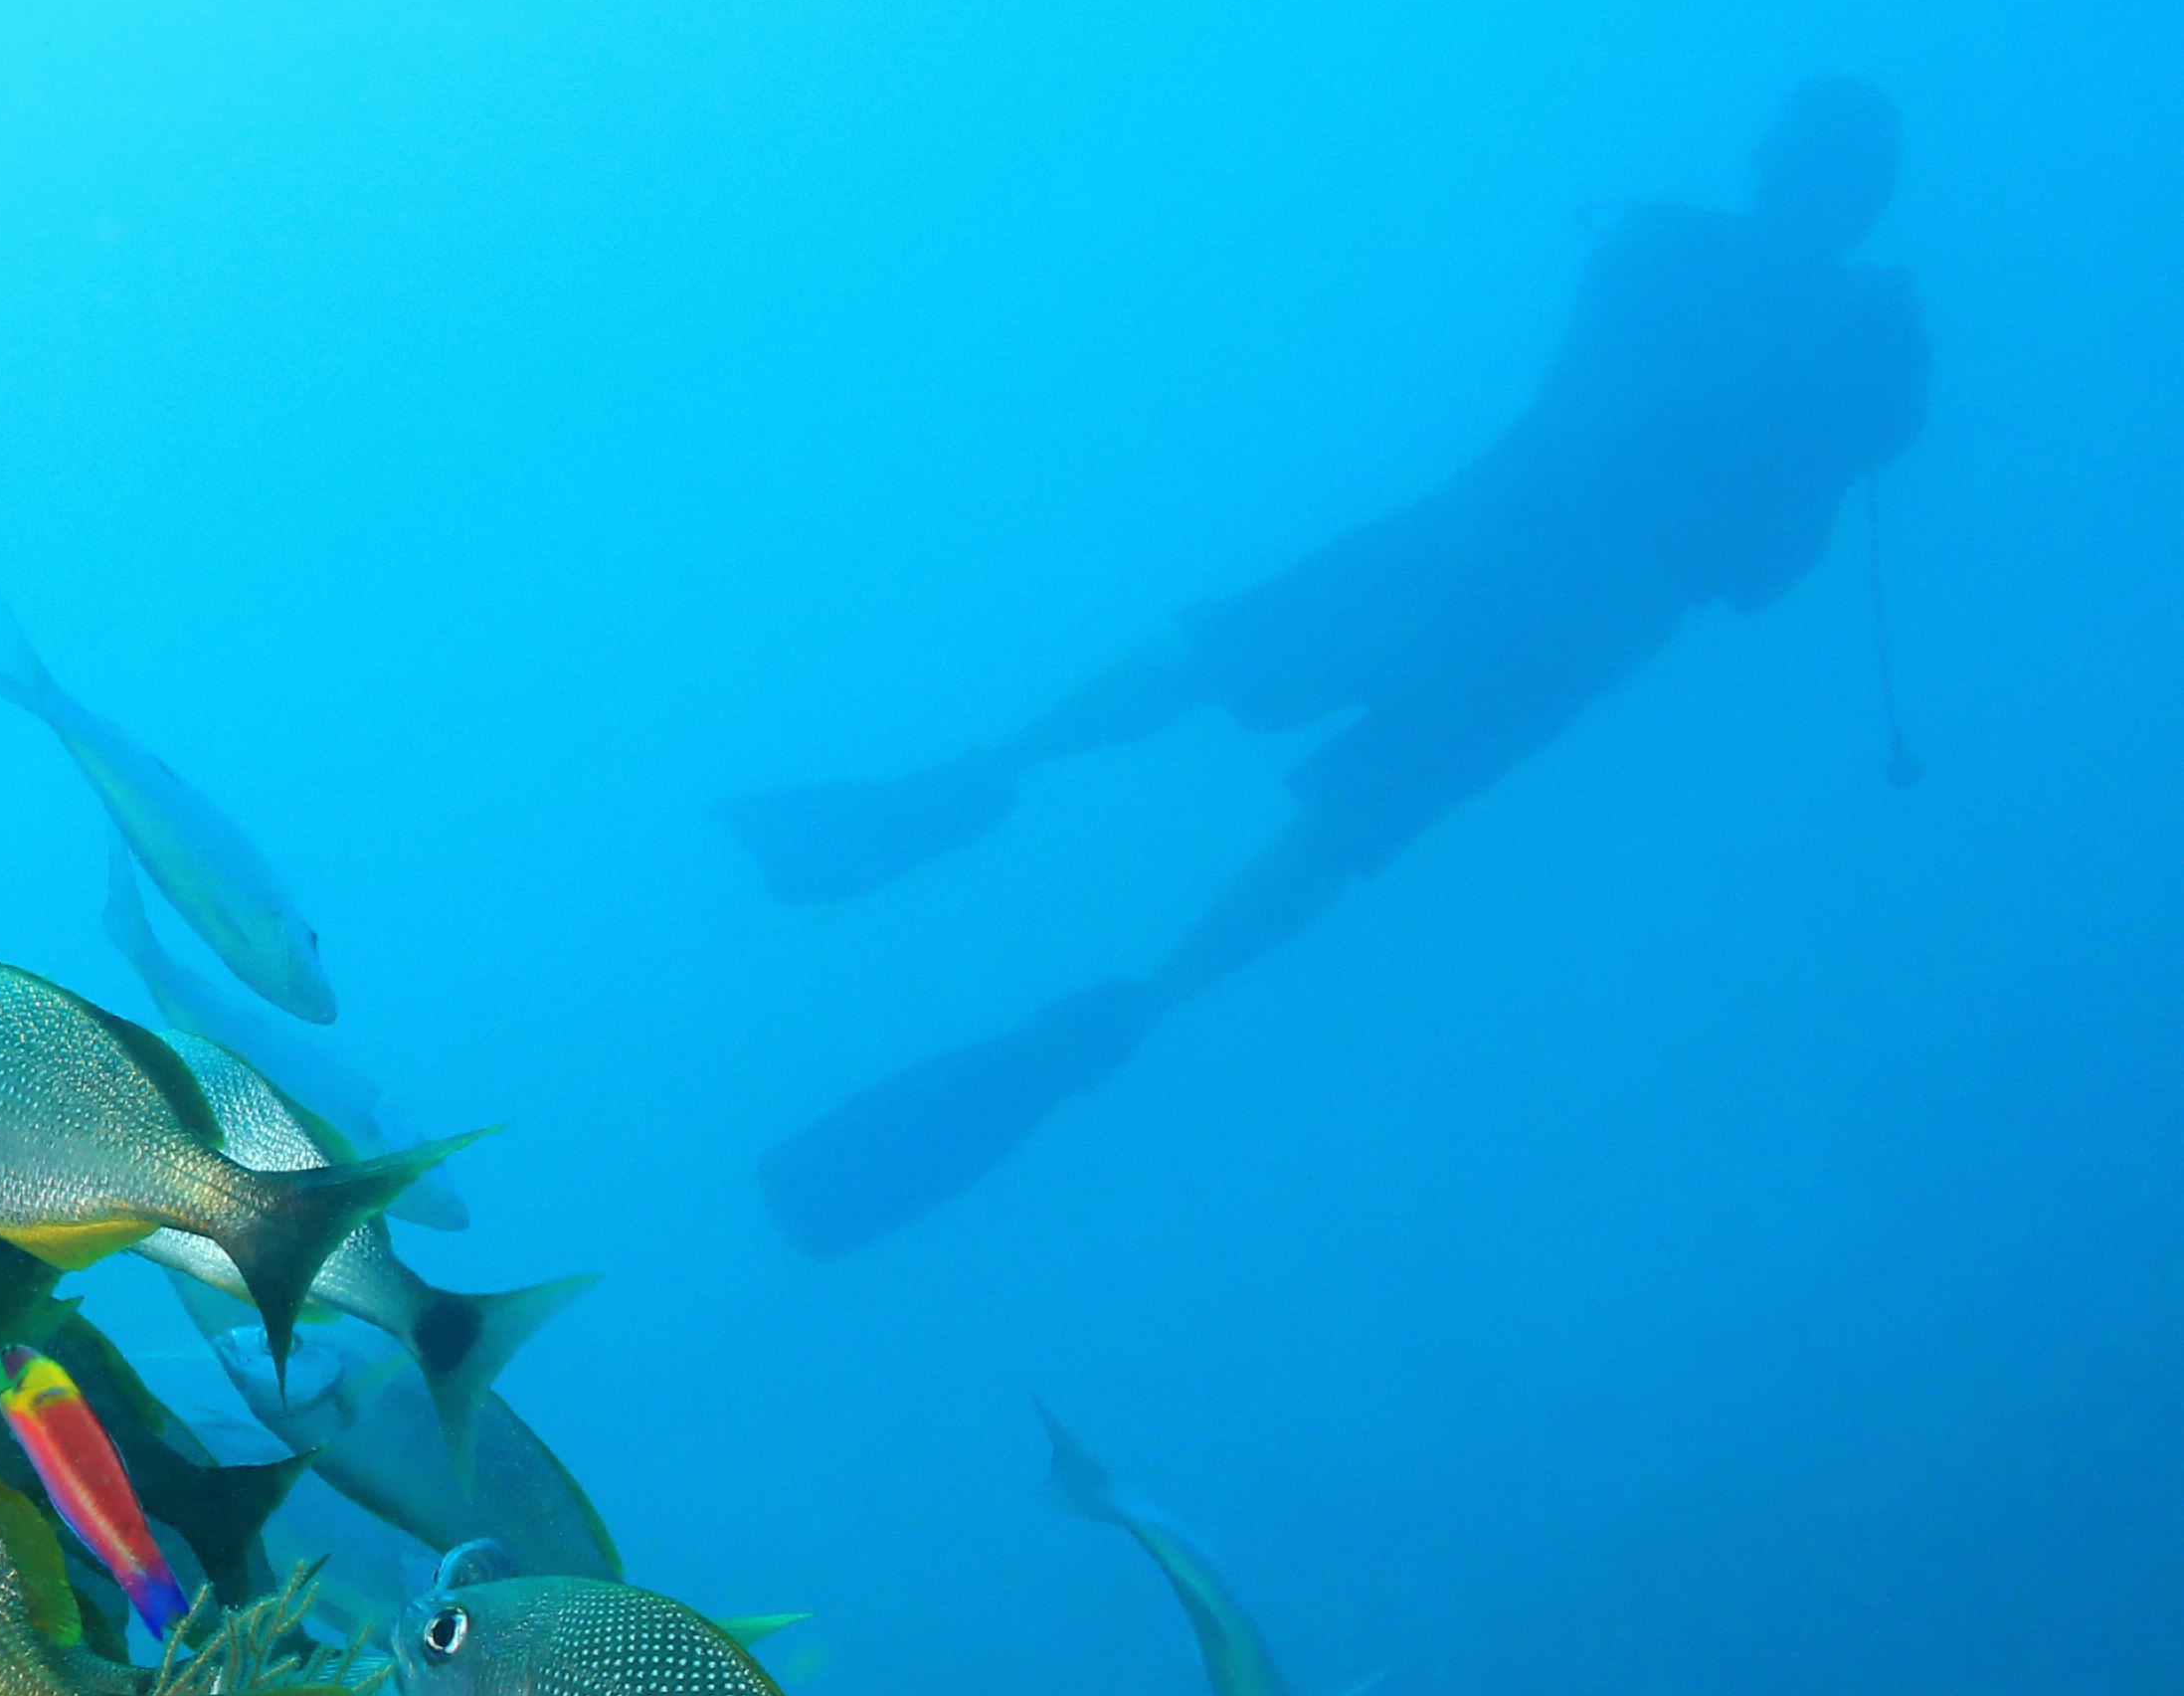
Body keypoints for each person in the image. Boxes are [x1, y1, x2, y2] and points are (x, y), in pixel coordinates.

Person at [730, 79, 1928, 1258]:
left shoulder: (1696, 259)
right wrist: (1822, 398)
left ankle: (1017, 834)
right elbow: (1747, 558)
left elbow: (1696, 502)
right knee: (1312, 798)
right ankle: (1094, 953)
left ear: (1786, 169)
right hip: (1536, 598)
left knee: (1245, 709)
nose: (1796, 189)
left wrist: (1823, 400)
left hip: (1483, 556)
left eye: (1807, 169)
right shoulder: (1771, 302)